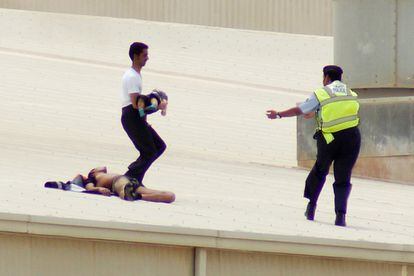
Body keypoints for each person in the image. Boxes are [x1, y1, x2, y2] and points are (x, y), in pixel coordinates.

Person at [266, 65, 361, 227]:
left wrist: (279, 114)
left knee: (320, 171)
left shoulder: (322, 92)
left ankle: (311, 207)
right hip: (352, 139)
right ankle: (340, 216)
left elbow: (300, 110)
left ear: (326, 78)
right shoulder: (351, 94)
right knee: (343, 177)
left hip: (329, 139)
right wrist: (317, 112)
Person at [121, 42, 168, 184]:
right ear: (136, 56)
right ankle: (130, 177)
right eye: (145, 55)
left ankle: (134, 178)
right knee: (149, 151)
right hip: (131, 117)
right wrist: (157, 105)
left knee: (159, 146)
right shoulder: (132, 77)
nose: (147, 58)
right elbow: (136, 105)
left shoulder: (135, 74)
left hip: (135, 118)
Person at [44, 166, 175, 203]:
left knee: (170, 196)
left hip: (128, 181)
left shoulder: (100, 175)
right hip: (118, 182)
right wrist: (98, 189)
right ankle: (130, 194)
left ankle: (136, 196)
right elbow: (90, 188)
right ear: (93, 172)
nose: (104, 167)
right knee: (124, 188)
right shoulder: (91, 179)